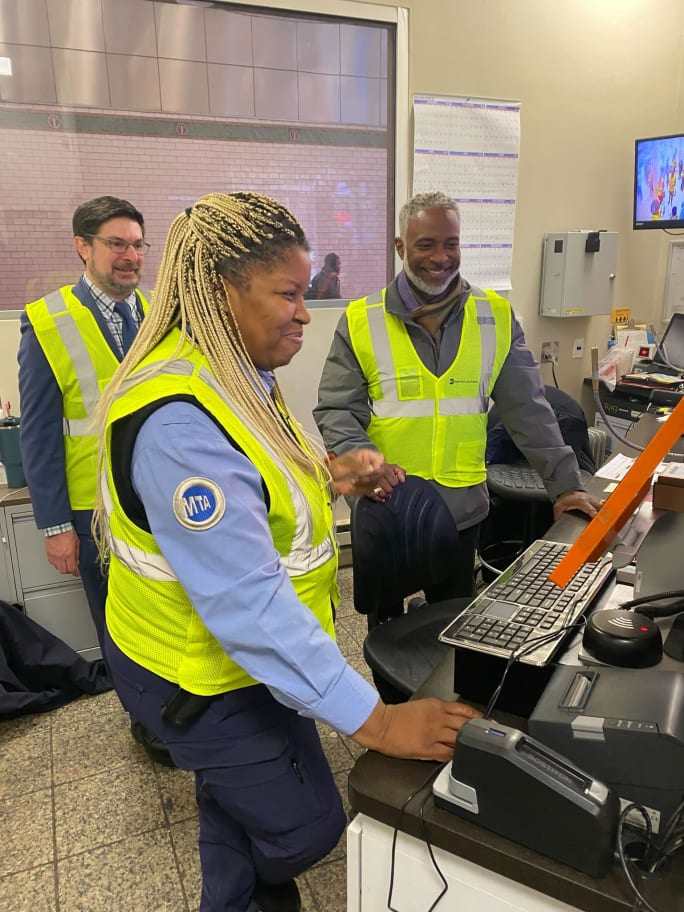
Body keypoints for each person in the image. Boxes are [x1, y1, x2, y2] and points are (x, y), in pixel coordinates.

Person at [90, 191, 480, 912]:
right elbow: (249, 606)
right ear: (218, 293)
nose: (305, 311)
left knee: (244, 803)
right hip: (192, 675)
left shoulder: (238, 377)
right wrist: (382, 721)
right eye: (289, 294)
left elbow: (260, 494)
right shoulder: (181, 424)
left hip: (246, 660)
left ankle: (235, 895)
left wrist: (334, 477)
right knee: (308, 826)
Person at [314, 191, 601, 604]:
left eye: (451, 244)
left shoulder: (496, 317)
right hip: (387, 508)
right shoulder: (362, 320)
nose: (440, 257)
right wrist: (361, 462)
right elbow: (336, 408)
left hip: (461, 510)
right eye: (425, 244)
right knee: (387, 636)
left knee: (450, 633)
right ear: (401, 247)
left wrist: (566, 486)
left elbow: (530, 413)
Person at [17, 195, 171, 765]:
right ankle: (144, 718)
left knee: (168, 605)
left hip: (159, 498)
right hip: (94, 511)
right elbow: (37, 436)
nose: (130, 256)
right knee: (116, 618)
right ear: (83, 247)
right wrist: (56, 525)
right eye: (116, 244)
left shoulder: (159, 310)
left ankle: (178, 701)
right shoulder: (48, 322)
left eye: (137, 244)